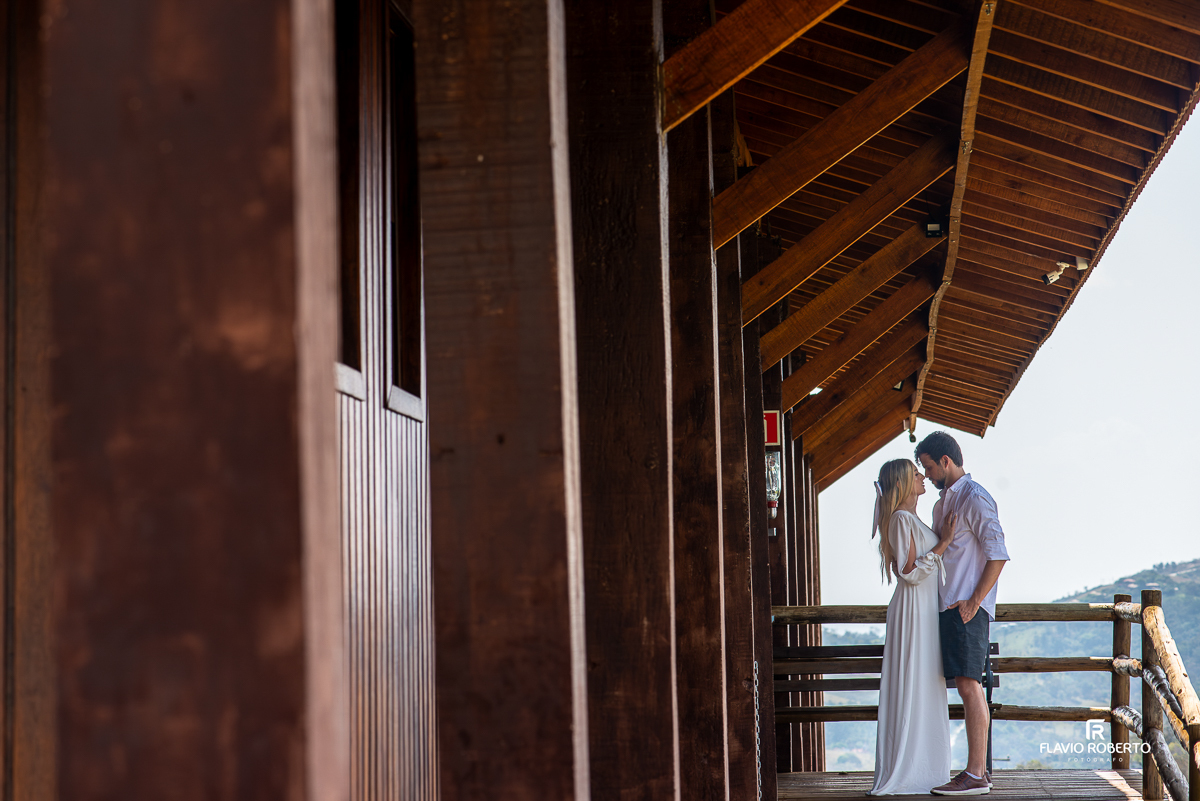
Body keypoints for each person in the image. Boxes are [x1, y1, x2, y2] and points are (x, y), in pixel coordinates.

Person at [916, 431, 1011, 797]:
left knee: (969, 686)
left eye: (928, 467)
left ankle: (975, 774)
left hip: (966, 609)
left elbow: (998, 553)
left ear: (945, 461)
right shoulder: (943, 504)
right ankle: (973, 772)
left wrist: (974, 601)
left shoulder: (975, 498)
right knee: (962, 685)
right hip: (947, 608)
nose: (926, 475)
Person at [868, 458, 956, 796]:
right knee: (913, 680)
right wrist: (943, 543)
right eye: (917, 473)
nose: (923, 477)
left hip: (923, 611)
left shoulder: (910, 519)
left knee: (924, 682)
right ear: (905, 482)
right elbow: (909, 572)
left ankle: (925, 766)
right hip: (912, 610)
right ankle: (909, 768)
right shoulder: (901, 519)